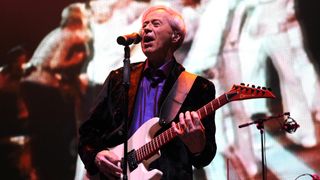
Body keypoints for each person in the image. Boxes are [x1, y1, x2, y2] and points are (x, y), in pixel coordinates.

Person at [78, 5, 217, 179]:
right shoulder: (118, 79)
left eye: (155, 24)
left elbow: (205, 156)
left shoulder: (198, 87)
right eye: (144, 25)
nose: (146, 29)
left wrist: (197, 144)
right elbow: (89, 131)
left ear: (175, 36)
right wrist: (96, 155)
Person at [20, 3, 92, 180]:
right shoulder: (73, 35)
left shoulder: (57, 32)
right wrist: (75, 59)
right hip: (42, 86)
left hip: (31, 84)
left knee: (42, 134)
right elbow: (53, 65)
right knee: (53, 134)